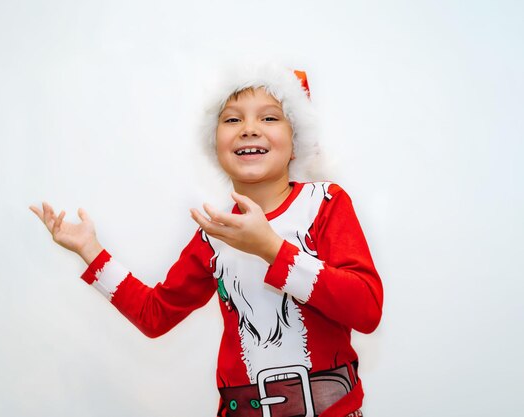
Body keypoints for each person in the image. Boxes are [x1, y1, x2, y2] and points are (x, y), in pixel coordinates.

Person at [29, 63, 383, 417]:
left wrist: (272, 250)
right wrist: (90, 251)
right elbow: (155, 315)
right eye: (232, 120)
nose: (249, 130)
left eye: (270, 118)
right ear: (215, 145)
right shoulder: (214, 235)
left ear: (296, 143)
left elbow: (366, 310)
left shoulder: (325, 204)